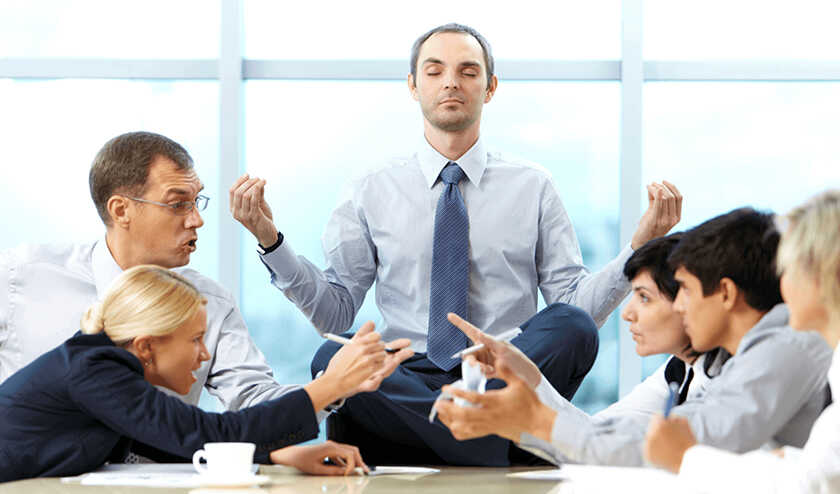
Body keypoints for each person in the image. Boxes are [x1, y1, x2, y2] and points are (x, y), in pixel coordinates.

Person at [229, 23, 682, 466]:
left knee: (573, 325)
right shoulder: (370, 187)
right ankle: (488, 436)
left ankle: (457, 430)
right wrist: (271, 240)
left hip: (498, 371)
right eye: (434, 71)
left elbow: (575, 306)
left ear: (490, 87)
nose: (451, 82)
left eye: (468, 71)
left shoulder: (533, 185)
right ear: (413, 86)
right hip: (403, 374)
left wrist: (641, 245)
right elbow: (335, 313)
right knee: (332, 355)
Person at [434, 207, 831, 466]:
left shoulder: (785, 346)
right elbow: (609, 434)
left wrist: (536, 421)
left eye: (684, 290)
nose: (680, 306)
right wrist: (531, 385)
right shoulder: (698, 367)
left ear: (725, 293)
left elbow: (693, 440)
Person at [0, 131, 339, 418]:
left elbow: (251, 399)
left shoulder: (210, 303)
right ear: (121, 210)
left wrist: (336, 385)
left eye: (197, 202)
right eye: (178, 205)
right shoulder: (19, 276)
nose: (196, 220)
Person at [0, 265, 412, 482]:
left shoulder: (101, 369)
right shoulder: (95, 370)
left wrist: (279, 454)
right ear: (146, 346)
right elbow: (206, 433)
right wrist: (331, 384)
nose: (204, 353)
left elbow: (171, 441)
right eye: (196, 339)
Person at [434, 233, 727, 461]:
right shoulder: (677, 372)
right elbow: (598, 435)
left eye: (644, 298)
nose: (627, 313)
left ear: (690, 298)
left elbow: (627, 449)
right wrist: (530, 377)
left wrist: (532, 419)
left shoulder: (730, 377)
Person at [644, 190, 840, 493]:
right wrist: (793, 460)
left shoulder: (788, 354)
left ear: (825, 274)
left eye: (788, 269)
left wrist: (687, 458)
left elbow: (812, 485)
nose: (782, 284)